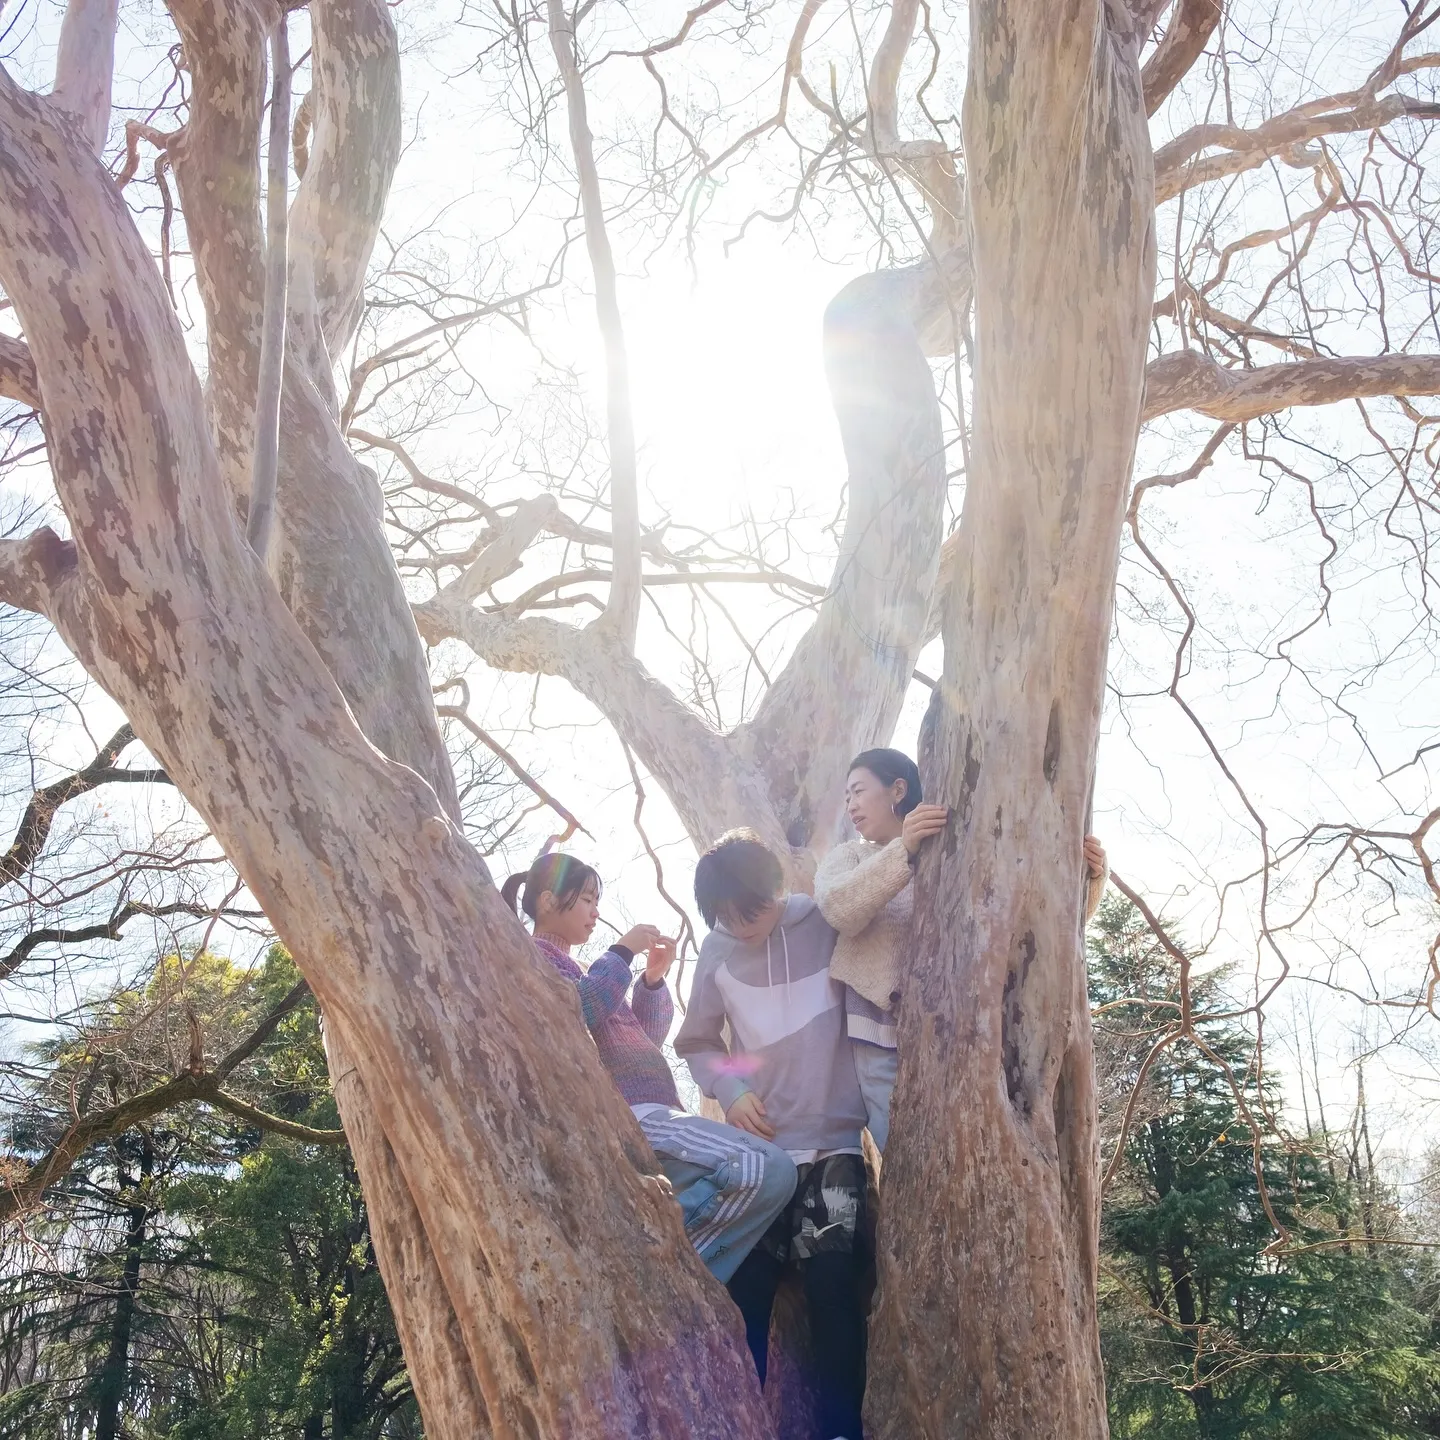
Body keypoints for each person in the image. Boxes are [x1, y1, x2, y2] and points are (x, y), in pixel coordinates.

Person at [502, 851, 796, 1285]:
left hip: (656, 1114)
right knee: (763, 1167)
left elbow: (644, 1039)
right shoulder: (533, 959)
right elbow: (580, 1009)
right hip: (631, 1117)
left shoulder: (583, 969)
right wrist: (621, 951)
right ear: (547, 902)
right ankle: (661, 1278)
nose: (595, 911)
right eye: (586, 899)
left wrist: (653, 981)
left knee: (763, 1198)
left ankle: (681, 1277)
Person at [815, 747, 1109, 1154]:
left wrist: (1087, 877)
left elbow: (1024, 931)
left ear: (897, 789)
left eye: (858, 791)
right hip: (880, 1038)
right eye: (847, 796)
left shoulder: (954, 847)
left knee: (972, 1155)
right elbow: (838, 909)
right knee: (906, 1160)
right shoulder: (848, 856)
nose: (850, 804)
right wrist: (904, 850)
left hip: (965, 1034)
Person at [675, 830, 868, 1440]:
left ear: (775, 889)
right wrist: (731, 1091)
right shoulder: (716, 953)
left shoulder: (824, 921)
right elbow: (698, 1044)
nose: (738, 924)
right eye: (723, 917)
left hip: (835, 1144)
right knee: (746, 1293)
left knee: (833, 1287)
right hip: (760, 1161)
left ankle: (842, 1430)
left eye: (748, 910)